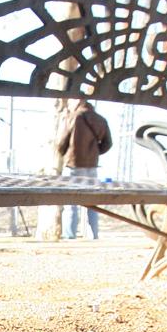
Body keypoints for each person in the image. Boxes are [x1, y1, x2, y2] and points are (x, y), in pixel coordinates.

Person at [56, 100, 112, 240]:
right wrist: (95, 153)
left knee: (71, 202)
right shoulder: (101, 120)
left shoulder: (73, 117)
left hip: (73, 164)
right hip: (92, 165)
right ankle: (93, 235)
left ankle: (70, 235)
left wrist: (64, 153)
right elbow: (108, 143)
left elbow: (62, 142)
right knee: (91, 202)